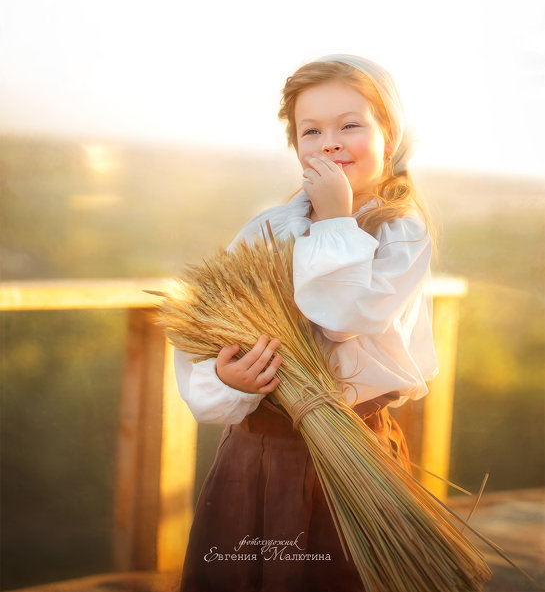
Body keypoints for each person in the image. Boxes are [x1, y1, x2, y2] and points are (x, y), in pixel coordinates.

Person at [173, 55, 438, 592]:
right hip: (256, 450)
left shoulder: (400, 232)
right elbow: (210, 328)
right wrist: (227, 379)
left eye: (351, 125)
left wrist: (338, 220)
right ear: (296, 146)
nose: (330, 142)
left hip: (350, 451)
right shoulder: (268, 228)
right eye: (310, 130)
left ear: (391, 133)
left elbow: (343, 318)